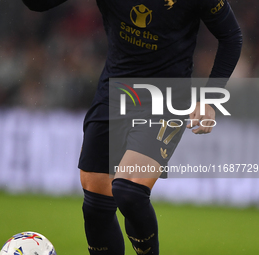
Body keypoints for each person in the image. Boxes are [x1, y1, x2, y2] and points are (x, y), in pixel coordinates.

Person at [21, 0, 242, 254]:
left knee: (129, 191)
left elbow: (231, 36)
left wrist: (210, 99)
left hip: (165, 99)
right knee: (95, 206)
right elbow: (37, 4)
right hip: (114, 93)